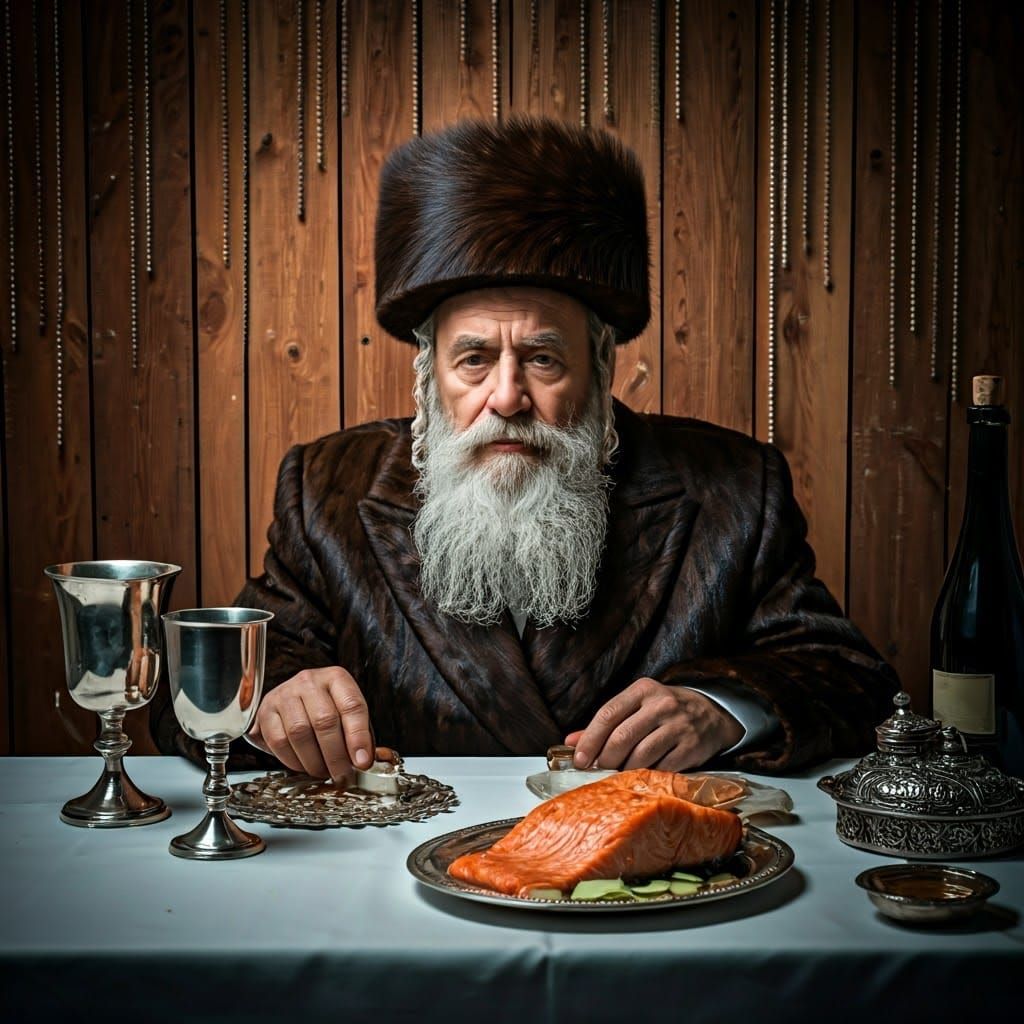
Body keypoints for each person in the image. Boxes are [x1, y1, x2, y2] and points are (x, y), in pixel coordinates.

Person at [151, 117, 898, 779]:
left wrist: (722, 707)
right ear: (429, 377)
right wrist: (273, 699)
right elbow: (204, 689)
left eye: (543, 359)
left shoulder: (734, 489)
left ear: (601, 371)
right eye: (473, 360)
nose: (506, 398)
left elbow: (852, 681)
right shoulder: (328, 491)